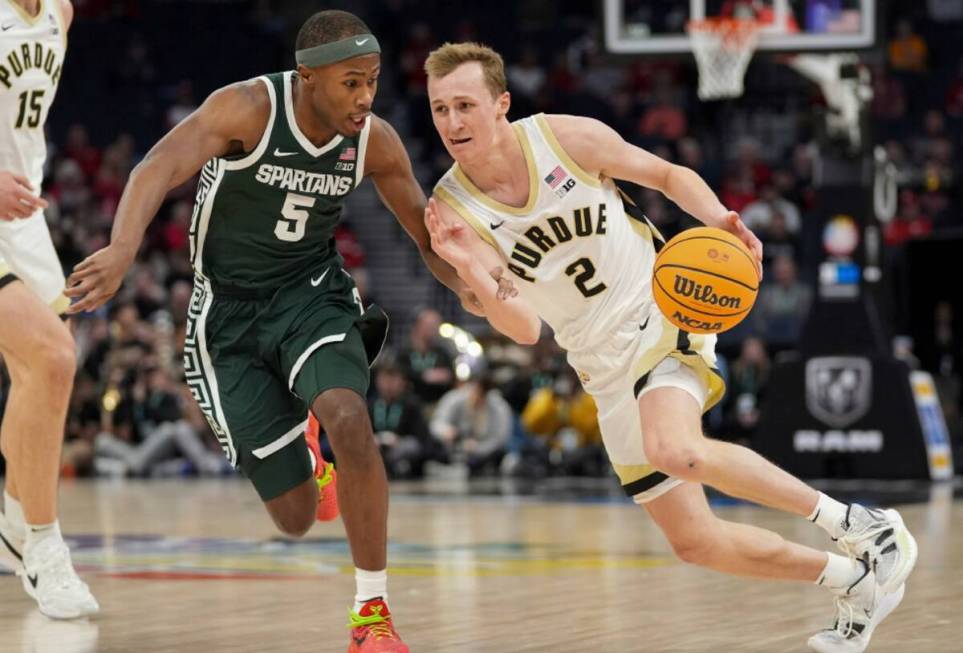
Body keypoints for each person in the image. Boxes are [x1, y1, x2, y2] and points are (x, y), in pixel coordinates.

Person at [422, 42, 916, 653]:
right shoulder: (451, 212)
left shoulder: (563, 139)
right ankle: (857, 580)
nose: (452, 123)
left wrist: (719, 217)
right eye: (439, 109)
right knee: (695, 542)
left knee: (675, 448)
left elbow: (665, 175)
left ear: (501, 104)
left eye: (465, 105)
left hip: (660, 307)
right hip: (597, 364)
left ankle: (860, 525)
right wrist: (470, 265)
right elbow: (524, 328)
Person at [65, 11, 496, 652]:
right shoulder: (247, 109)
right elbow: (155, 165)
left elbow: (426, 238)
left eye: (373, 80)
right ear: (307, 80)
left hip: (311, 294)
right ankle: (310, 457)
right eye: (350, 82)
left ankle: (371, 615)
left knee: (352, 419)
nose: (364, 97)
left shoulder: (375, 142)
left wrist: (472, 283)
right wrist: (123, 250)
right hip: (226, 315)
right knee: (295, 519)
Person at [0, 0, 100, 620]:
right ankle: (42, 547)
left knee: (45, 374)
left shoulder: (59, 12)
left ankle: (15, 520)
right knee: (51, 355)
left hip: (22, 216)